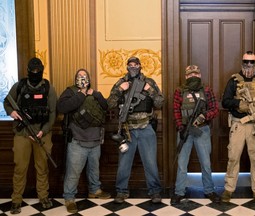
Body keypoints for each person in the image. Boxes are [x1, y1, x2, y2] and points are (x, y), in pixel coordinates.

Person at [3, 57, 57, 214]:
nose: (35, 73)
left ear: (41, 71)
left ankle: (43, 197)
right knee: (20, 168)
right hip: (22, 134)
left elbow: (53, 113)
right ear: (28, 71)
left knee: (42, 167)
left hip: (42, 134)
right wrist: (11, 111)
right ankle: (16, 200)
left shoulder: (48, 87)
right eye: (32, 71)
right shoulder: (19, 86)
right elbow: (7, 102)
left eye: (37, 71)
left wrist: (43, 131)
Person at [107, 56, 164, 204]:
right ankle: (121, 191)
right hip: (128, 130)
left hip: (146, 128)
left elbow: (160, 102)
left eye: (136, 64)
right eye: (130, 65)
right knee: (124, 164)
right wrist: (120, 89)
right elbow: (110, 103)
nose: (133, 67)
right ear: (127, 67)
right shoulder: (121, 82)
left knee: (151, 163)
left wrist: (149, 90)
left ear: (140, 66)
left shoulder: (149, 82)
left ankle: (155, 192)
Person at [221, 51, 255, 205]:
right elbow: (225, 102)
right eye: (246, 61)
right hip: (238, 124)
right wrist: (238, 104)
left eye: (251, 62)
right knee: (233, 157)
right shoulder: (234, 81)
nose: (248, 65)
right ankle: (229, 189)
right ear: (242, 62)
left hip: (254, 126)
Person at [57, 68, 111, 214]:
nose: (82, 78)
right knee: (73, 171)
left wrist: (97, 94)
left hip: (95, 138)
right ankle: (69, 198)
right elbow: (61, 107)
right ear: (75, 78)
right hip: (77, 140)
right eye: (79, 76)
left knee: (94, 168)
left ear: (89, 78)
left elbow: (106, 107)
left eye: (85, 76)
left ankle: (95, 190)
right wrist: (81, 94)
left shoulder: (94, 92)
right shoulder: (70, 91)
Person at [170, 65, 220, 205]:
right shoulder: (179, 91)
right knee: (181, 164)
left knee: (206, 163)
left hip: (202, 130)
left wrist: (205, 116)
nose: (193, 76)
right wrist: (180, 127)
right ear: (186, 76)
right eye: (190, 74)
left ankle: (209, 190)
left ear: (200, 75)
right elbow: (176, 110)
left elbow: (215, 109)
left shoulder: (207, 90)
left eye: (196, 74)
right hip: (185, 130)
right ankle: (179, 192)